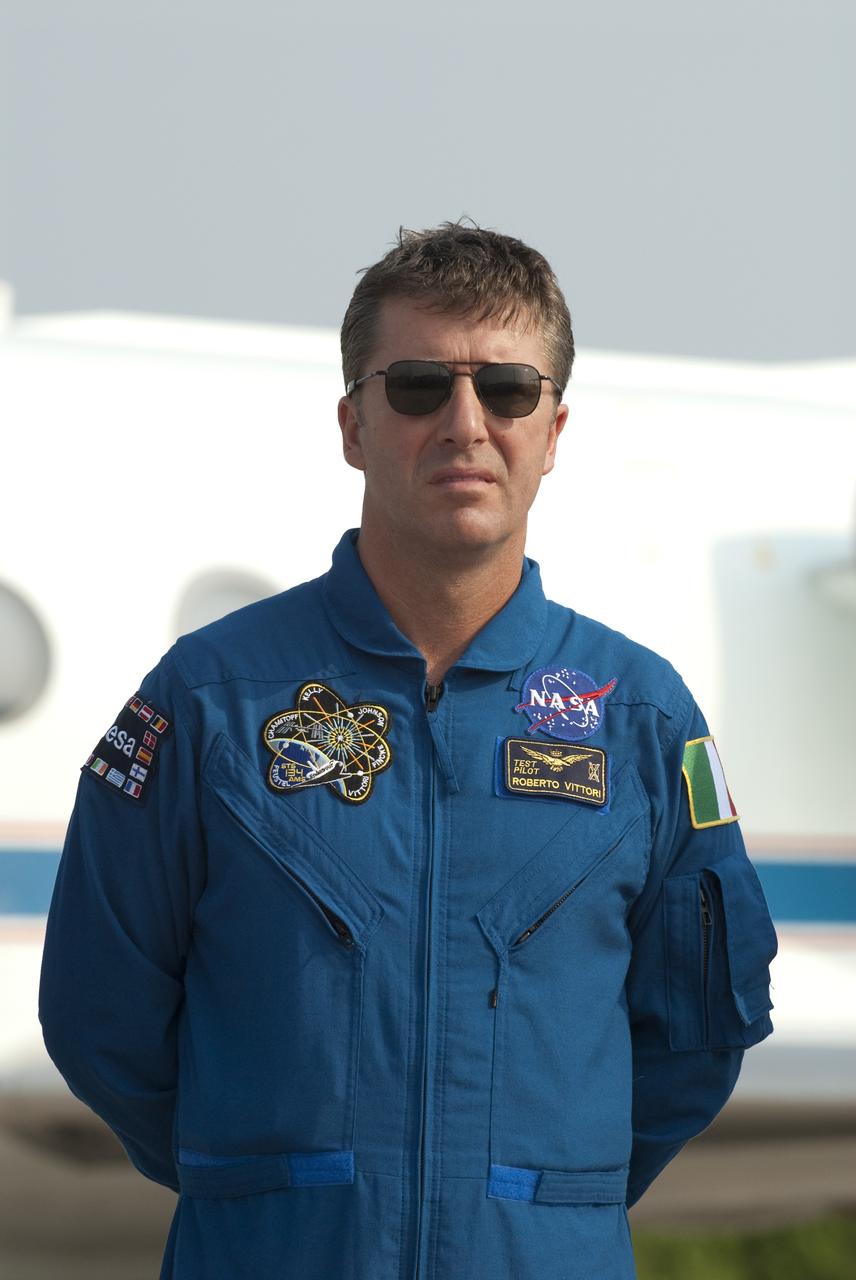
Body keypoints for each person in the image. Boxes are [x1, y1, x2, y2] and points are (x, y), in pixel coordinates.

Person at [39, 221, 778, 1280]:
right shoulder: (205, 702)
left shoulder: (642, 718)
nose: (466, 423)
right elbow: (99, 1014)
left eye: (509, 389)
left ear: (555, 426)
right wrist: (266, 1180)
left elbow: (698, 1035)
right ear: (353, 423)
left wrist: (543, 1200)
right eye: (420, 386)